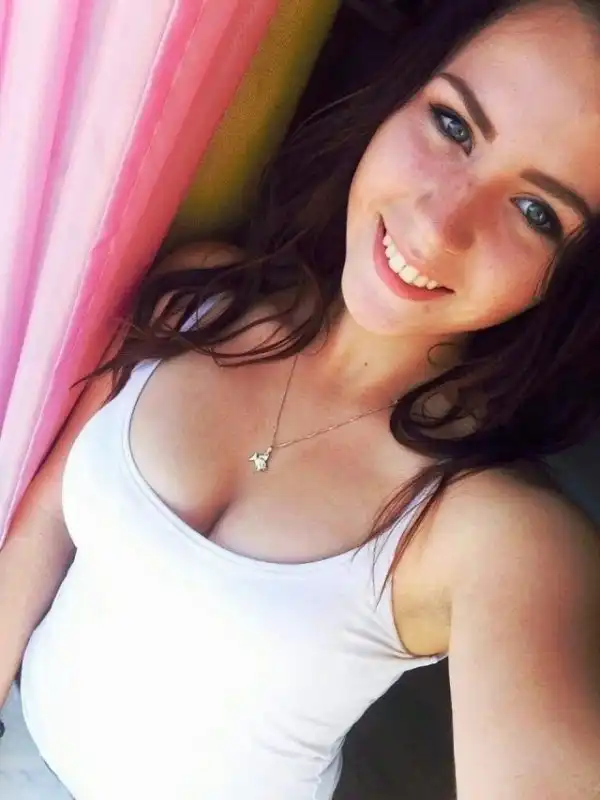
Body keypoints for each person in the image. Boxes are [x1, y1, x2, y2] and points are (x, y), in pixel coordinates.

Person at [1, 0, 600, 797]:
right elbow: (44, 523)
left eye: (536, 213)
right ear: (398, 97)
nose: (441, 224)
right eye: (453, 124)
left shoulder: (493, 531)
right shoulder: (198, 300)